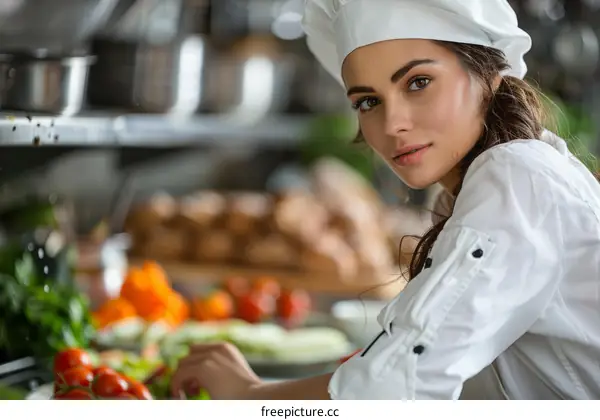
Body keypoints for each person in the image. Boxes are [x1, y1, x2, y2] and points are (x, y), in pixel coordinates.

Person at [170, 0, 600, 400]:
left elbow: (396, 390)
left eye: (418, 82)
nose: (392, 123)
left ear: (488, 76)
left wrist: (249, 396)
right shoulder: (478, 186)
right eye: (368, 101)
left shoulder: (516, 177)